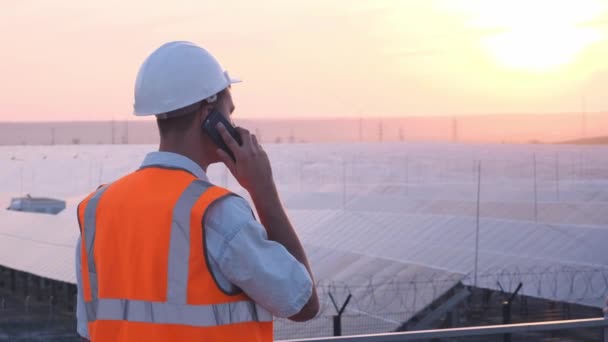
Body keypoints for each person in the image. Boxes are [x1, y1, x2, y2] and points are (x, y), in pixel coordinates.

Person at [75, 41, 319, 341]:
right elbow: (303, 304)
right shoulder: (216, 213)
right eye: (228, 114)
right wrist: (263, 190)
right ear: (208, 116)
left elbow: (91, 328)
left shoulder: (97, 209)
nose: (233, 125)